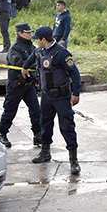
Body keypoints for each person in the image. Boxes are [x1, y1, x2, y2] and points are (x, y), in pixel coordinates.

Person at [22, 26, 82, 174]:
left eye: (37, 39)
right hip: (46, 96)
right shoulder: (39, 51)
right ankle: (45, 152)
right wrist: (24, 68)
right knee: (45, 124)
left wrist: (76, 93)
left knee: (67, 127)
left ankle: (73, 160)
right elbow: (30, 60)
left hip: (61, 97)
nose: (35, 41)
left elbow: (74, 73)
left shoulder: (62, 53)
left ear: (44, 40)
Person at [0, 23, 42, 148]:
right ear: (20, 33)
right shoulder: (15, 48)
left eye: (30, 32)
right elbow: (17, 63)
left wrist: (37, 79)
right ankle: (3, 133)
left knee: (36, 110)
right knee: (10, 110)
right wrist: (32, 66)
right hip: (16, 85)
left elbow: (37, 65)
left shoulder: (32, 47)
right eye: (27, 32)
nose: (30, 34)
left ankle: (38, 135)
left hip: (29, 84)